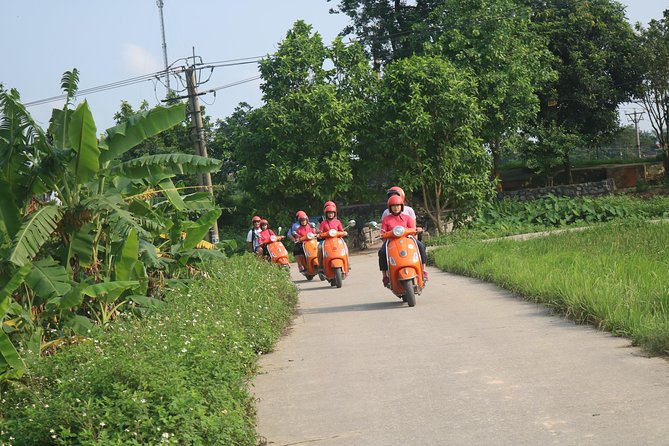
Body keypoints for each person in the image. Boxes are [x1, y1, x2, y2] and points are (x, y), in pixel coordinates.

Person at [378, 195, 427, 287]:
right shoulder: (386, 219)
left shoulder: (407, 218)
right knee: (382, 252)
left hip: (407, 240)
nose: (396, 208)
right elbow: (383, 232)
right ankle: (385, 276)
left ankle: (423, 271)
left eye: (398, 205)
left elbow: (412, 229)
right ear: (390, 208)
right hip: (391, 241)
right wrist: (382, 235)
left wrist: (416, 230)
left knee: (421, 246)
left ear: (401, 206)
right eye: (393, 206)